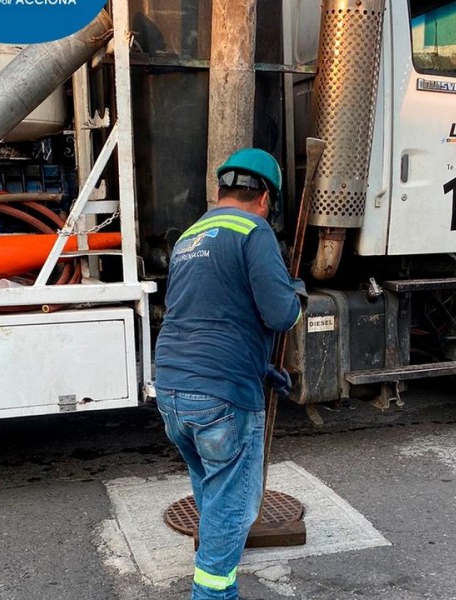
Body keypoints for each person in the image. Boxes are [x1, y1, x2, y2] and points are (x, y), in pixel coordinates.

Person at [155, 148, 304, 600]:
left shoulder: (190, 236)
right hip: (221, 395)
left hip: (173, 389)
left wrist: (262, 366)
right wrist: (294, 292)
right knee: (235, 506)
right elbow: (280, 314)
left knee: (213, 488)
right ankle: (214, 592)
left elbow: (209, 312)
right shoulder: (253, 230)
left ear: (221, 191)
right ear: (265, 200)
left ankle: (217, 568)